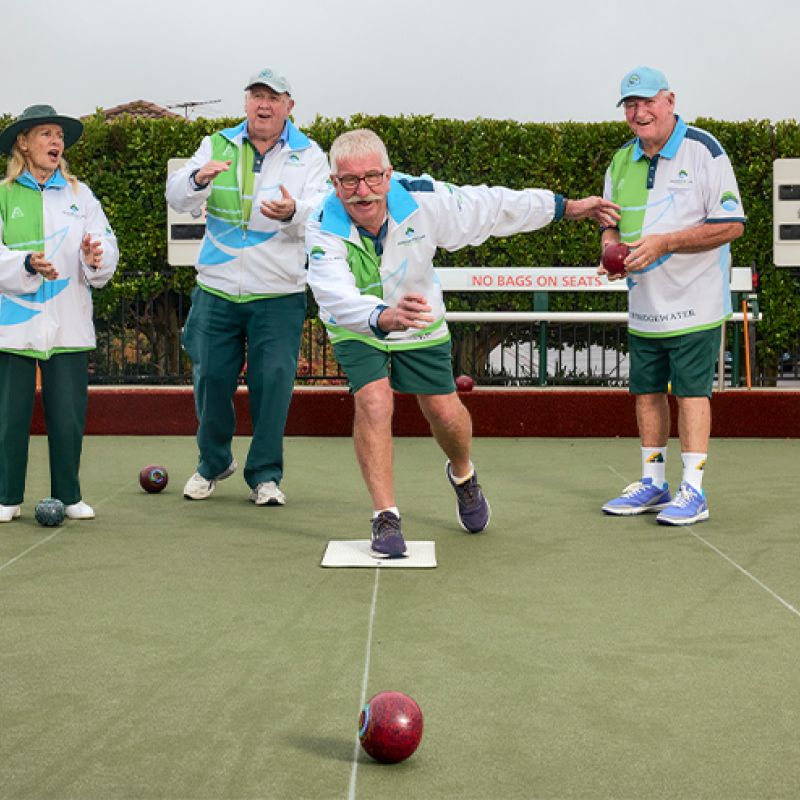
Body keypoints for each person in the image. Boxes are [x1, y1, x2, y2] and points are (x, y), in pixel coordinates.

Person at [307, 128, 620, 557]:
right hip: (358, 323)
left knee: (444, 411)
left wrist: (563, 207)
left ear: (389, 174)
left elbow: (493, 205)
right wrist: (381, 316)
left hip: (418, 316)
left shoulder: (424, 199)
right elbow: (333, 292)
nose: (363, 191)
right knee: (375, 401)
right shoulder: (322, 223)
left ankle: (463, 475)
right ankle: (385, 516)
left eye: (373, 177)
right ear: (333, 182)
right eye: (349, 181)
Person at [166, 68, 329, 506]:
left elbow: (323, 209)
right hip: (216, 288)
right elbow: (177, 195)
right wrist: (198, 179)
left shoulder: (309, 154)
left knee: (273, 382)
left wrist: (294, 209)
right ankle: (213, 462)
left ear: (289, 106)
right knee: (211, 378)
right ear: (245, 103)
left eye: (273, 97)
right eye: (256, 95)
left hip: (278, 293)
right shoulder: (216, 143)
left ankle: (264, 477)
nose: (264, 104)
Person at [599, 67, 745, 526]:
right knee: (645, 393)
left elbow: (731, 225)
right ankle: (654, 483)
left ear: (670, 101)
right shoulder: (620, 161)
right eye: (630, 105)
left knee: (691, 393)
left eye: (647, 102)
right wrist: (608, 247)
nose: (639, 113)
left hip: (696, 302)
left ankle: (694, 491)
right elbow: (609, 220)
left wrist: (665, 242)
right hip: (644, 304)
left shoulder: (705, 150)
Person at [0, 104, 119, 522]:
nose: (56, 142)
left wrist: (95, 255)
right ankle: (6, 498)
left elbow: (105, 243)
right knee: (8, 417)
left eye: (59, 135)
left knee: (67, 418)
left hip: (68, 321)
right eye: (46, 134)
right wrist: (27, 265)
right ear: (23, 142)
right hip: (12, 325)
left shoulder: (79, 194)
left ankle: (69, 496)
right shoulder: (3, 193)